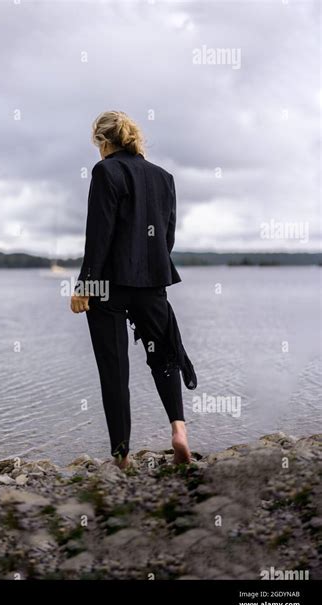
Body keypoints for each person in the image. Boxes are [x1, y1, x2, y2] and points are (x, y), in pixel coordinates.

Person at [71, 110, 197, 469]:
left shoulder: (105, 171)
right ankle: (179, 432)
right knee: (166, 357)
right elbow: (167, 235)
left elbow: (99, 234)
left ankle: (122, 457)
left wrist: (85, 285)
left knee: (115, 369)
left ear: (102, 141)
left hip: (109, 286)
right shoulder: (163, 177)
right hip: (152, 281)